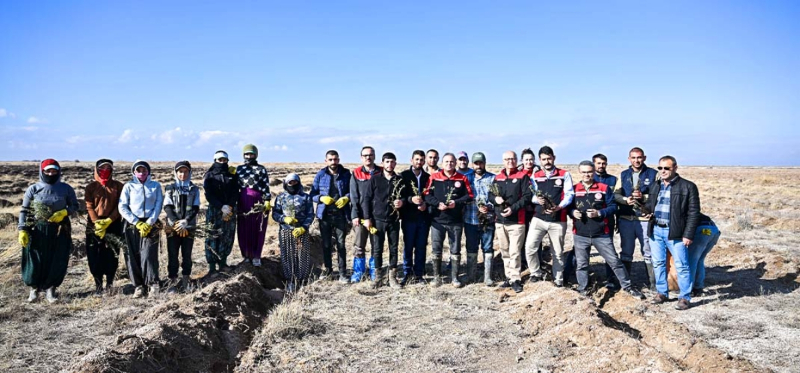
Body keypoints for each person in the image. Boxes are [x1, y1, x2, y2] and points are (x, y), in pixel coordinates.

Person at [569, 161, 644, 299]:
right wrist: (573, 212)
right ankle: (583, 289)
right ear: (580, 172)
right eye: (584, 172)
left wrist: (599, 213)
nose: (587, 175)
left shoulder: (603, 188)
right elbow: (569, 207)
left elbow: (612, 207)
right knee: (582, 264)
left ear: (593, 172)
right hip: (580, 234)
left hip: (601, 234)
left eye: (589, 172)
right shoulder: (574, 189)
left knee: (614, 261)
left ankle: (628, 287)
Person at [18, 159, 79, 303]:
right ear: (42, 171)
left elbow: (75, 206)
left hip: (60, 229)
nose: (51, 173)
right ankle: (34, 289)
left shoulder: (66, 188)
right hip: (37, 229)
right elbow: (24, 210)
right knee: (35, 258)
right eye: (48, 171)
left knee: (57, 258)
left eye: (54, 171)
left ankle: (51, 289)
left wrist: (64, 212)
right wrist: (22, 229)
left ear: (59, 171)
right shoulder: (33, 189)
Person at [645, 155, 700, 311]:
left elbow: (693, 213)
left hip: (675, 232)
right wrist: (645, 209)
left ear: (675, 168)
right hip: (656, 230)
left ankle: (684, 297)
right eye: (660, 168)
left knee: (682, 265)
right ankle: (662, 292)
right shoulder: (656, 185)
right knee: (658, 263)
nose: (663, 171)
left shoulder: (688, 187)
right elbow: (651, 205)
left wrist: (688, 234)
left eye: (666, 168)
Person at [524, 146, 574, 286]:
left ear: (554, 158)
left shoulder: (564, 174)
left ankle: (558, 280)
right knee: (530, 247)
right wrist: (536, 200)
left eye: (549, 158)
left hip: (558, 220)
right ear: (540, 160)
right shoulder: (536, 176)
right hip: (538, 218)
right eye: (544, 159)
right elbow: (531, 194)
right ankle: (535, 273)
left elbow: (569, 194)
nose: (547, 162)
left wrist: (560, 207)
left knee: (557, 253)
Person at [424, 153, 474, 287]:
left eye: (452, 162)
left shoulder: (462, 178)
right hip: (437, 220)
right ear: (442, 163)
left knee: (455, 249)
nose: (449, 164)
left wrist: (456, 203)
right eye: (446, 161)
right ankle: (437, 277)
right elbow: (427, 195)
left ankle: (455, 278)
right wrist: (437, 204)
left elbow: (469, 196)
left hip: (455, 221)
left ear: (455, 163)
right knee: (436, 249)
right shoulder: (434, 177)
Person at [613, 147, 658, 291]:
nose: (636, 160)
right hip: (626, 219)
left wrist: (643, 198)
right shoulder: (624, 174)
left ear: (644, 158)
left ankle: (653, 285)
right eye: (633, 157)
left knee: (648, 251)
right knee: (626, 251)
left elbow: (658, 194)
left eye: (639, 157)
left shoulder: (653, 174)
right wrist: (626, 200)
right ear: (629, 159)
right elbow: (616, 195)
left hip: (644, 219)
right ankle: (626, 283)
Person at [119, 160, 164, 298]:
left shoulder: (155, 186)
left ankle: (153, 284)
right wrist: (136, 222)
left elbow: (158, 205)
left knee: (149, 254)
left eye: (144, 170)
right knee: (132, 255)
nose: (142, 173)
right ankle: (139, 286)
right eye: (139, 170)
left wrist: (149, 222)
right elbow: (122, 206)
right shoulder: (128, 186)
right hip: (132, 224)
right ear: (134, 172)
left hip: (151, 223)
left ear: (148, 172)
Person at [489, 151, 531, 293]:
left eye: (512, 159)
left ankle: (516, 279)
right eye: (507, 159)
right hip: (500, 221)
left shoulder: (522, 177)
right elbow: (490, 194)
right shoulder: (498, 177)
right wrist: (496, 199)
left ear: (516, 160)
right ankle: (508, 277)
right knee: (505, 251)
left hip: (517, 221)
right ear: (503, 161)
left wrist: (513, 209)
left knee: (515, 252)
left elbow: (526, 197)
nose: (510, 161)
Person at [363, 152, 404, 288]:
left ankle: (392, 278)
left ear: (395, 164)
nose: (390, 164)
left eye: (392, 162)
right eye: (387, 162)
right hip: (377, 220)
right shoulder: (375, 179)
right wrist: (367, 218)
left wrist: (402, 202)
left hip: (393, 220)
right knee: (377, 249)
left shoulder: (399, 180)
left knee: (394, 248)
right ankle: (378, 277)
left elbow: (406, 197)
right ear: (382, 163)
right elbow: (367, 199)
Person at [310, 150, 351, 283]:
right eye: (330, 159)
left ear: (338, 160)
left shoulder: (346, 174)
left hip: (341, 215)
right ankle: (328, 270)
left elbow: (353, 191)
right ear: (326, 161)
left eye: (335, 159)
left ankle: (343, 273)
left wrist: (346, 198)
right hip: (325, 215)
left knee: (341, 244)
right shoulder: (321, 175)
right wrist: (321, 198)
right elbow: (312, 194)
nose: (333, 162)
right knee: (326, 244)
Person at [84, 158, 124, 296]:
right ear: (96, 170)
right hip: (94, 226)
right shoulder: (90, 187)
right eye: (102, 169)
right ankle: (98, 285)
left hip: (113, 224)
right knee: (95, 255)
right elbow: (89, 206)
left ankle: (110, 283)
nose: (105, 171)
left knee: (112, 254)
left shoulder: (118, 186)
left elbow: (120, 206)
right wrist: (97, 223)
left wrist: (109, 220)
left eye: (108, 168)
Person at [272, 173, 315, 293]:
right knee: (287, 256)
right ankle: (290, 281)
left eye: (295, 182)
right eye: (290, 182)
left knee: (302, 255)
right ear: (286, 184)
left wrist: (304, 227)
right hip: (285, 231)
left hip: (301, 231)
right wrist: (283, 219)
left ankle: (302, 280)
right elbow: (275, 213)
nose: (292, 184)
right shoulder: (280, 198)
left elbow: (310, 214)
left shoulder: (306, 197)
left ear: (299, 182)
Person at [163, 161, 200, 294]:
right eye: (180, 171)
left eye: (185, 171)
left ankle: (186, 277)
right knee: (172, 254)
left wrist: (186, 221)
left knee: (187, 254)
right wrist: (175, 222)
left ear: (189, 173)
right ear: (176, 172)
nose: (182, 174)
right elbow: (167, 206)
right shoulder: (170, 188)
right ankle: (172, 279)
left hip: (189, 227)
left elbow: (195, 207)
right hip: (173, 228)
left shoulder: (194, 189)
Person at [349, 146, 382, 282]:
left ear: (374, 156)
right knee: (359, 244)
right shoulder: (356, 173)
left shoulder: (381, 172)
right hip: (361, 216)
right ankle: (358, 271)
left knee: (376, 244)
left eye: (370, 155)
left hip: (378, 215)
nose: (368, 157)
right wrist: (355, 215)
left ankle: (375, 270)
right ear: (361, 157)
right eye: (365, 155)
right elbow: (354, 196)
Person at [203, 150, 238, 275]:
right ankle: (212, 267)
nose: (222, 162)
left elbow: (235, 191)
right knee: (212, 236)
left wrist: (229, 206)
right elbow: (209, 194)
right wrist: (220, 206)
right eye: (220, 160)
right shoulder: (210, 175)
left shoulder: (232, 175)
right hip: (214, 210)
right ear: (215, 161)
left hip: (229, 210)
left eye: (225, 160)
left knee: (227, 236)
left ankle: (223, 263)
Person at [236, 144, 272, 267]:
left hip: (257, 201)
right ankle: (246, 255)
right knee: (243, 228)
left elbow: (266, 186)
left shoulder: (261, 169)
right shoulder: (239, 169)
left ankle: (257, 255)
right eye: (246, 154)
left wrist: (267, 200)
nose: (249, 156)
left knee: (258, 228)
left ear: (256, 155)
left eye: (251, 154)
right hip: (243, 200)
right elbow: (235, 186)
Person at [463, 152, 496, 285]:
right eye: (476, 163)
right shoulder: (466, 178)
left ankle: (487, 277)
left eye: (481, 163)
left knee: (487, 248)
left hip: (488, 219)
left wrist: (488, 206)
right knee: (471, 248)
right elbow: (462, 197)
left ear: (484, 163)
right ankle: (471, 275)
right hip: (470, 219)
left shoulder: (493, 179)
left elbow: (496, 198)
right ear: (472, 164)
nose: (478, 165)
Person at [400, 150, 431, 285]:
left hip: (423, 218)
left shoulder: (428, 177)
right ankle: (407, 273)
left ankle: (419, 274)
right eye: (417, 159)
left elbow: (431, 196)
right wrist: (411, 199)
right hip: (409, 217)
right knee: (408, 246)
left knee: (421, 246)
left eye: (421, 160)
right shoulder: (404, 176)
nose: (419, 162)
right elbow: (400, 196)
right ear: (411, 160)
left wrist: (425, 204)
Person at [592, 153, 621, 290]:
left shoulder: (613, 180)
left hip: (607, 220)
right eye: (598, 163)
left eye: (603, 163)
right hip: (590, 222)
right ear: (594, 164)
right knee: (579, 251)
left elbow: (616, 201)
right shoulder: (589, 178)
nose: (601, 166)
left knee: (609, 251)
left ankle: (611, 279)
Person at [688, 213, 720, 297]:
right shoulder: (693, 210)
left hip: (702, 231)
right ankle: (698, 288)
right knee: (699, 259)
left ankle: (688, 289)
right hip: (714, 230)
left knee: (692, 261)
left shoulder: (682, 212)